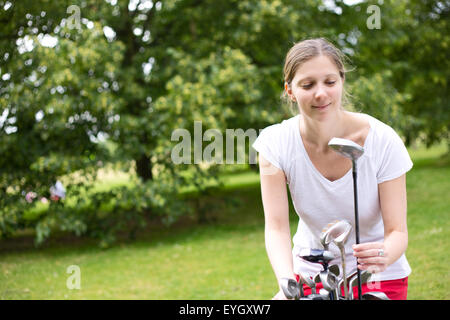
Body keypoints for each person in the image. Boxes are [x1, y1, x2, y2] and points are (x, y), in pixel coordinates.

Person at [252, 38, 412, 300]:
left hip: (377, 276)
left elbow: (398, 232)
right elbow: (277, 227)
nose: (320, 93)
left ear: (341, 82)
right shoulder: (274, 145)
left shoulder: (383, 140)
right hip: (312, 273)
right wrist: (286, 280)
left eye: (330, 82)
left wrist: (383, 255)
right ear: (290, 90)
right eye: (307, 84)